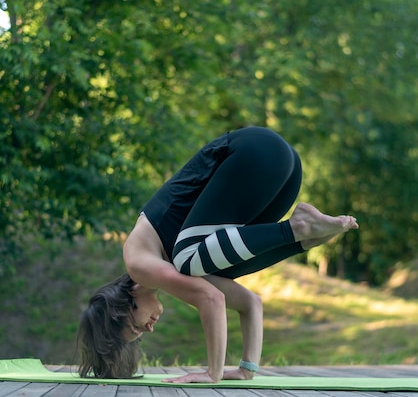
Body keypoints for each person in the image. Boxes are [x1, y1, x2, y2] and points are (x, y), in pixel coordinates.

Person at [78, 126, 358, 382]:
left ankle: (298, 229)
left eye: (136, 328)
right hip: (280, 168)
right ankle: (305, 239)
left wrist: (213, 373)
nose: (149, 330)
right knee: (210, 265)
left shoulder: (139, 264)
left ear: (122, 309)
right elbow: (250, 303)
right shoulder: (167, 269)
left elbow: (211, 299)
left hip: (254, 155)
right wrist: (247, 369)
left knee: (188, 260)